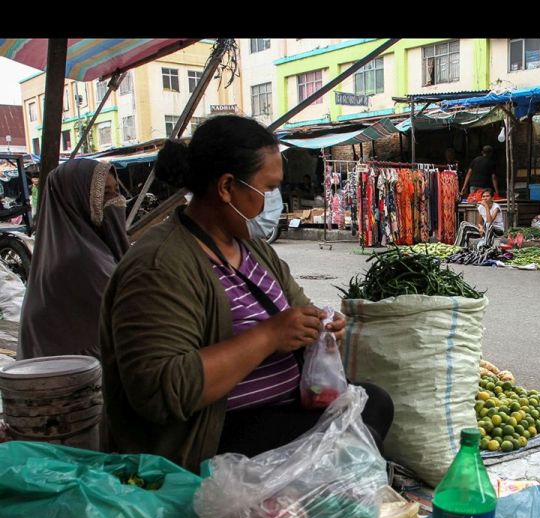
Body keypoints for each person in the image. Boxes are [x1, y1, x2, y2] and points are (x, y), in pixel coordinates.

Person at [99, 115, 393, 472]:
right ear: (226, 187)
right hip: (211, 436)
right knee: (349, 445)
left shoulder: (252, 249)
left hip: (281, 407)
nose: (274, 201)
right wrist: (269, 336)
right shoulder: (159, 267)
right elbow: (162, 391)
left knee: (374, 403)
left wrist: (322, 325)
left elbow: (298, 310)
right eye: (267, 190)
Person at [18, 159, 127, 359]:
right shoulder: (82, 262)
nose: (116, 201)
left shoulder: (83, 250)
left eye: (116, 190)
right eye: (104, 194)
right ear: (77, 200)